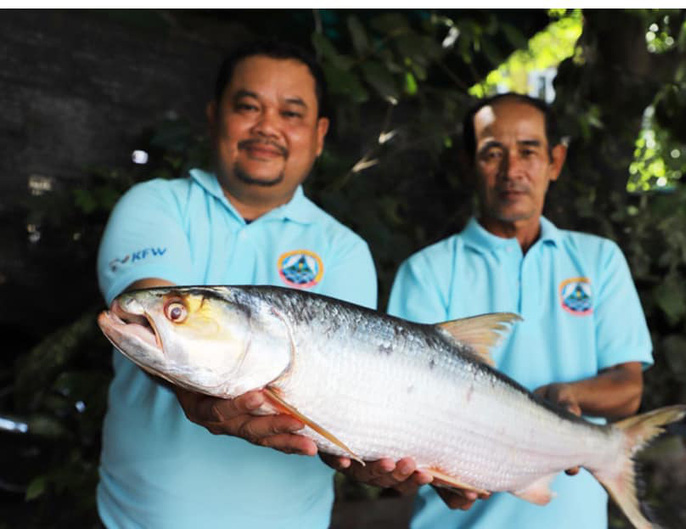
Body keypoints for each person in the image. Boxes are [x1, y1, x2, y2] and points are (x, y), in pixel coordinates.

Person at [95, 40, 377, 529]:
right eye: (248, 106)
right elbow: (153, 315)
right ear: (213, 115)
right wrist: (195, 392)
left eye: (291, 113)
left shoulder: (346, 250)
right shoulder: (156, 204)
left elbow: (341, 397)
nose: (267, 127)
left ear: (319, 134)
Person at [385, 93, 654, 528]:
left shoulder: (599, 259)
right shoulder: (427, 270)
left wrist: (569, 395)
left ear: (555, 161)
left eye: (528, 151)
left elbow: (629, 387)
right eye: (493, 153)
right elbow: (404, 413)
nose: (512, 171)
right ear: (470, 164)